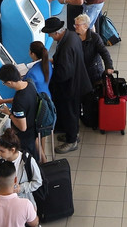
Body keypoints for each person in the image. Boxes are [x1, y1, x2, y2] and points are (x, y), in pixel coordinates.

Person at [42, 17, 92, 154]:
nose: (49, 36)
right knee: (74, 111)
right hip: (79, 80)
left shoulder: (65, 47)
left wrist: (50, 75)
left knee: (70, 113)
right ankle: (73, 133)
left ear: (57, 33)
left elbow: (64, 74)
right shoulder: (71, 36)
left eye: (50, 34)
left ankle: (71, 141)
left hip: (70, 87)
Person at [0, 66, 41, 160]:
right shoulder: (29, 84)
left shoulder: (19, 100)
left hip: (25, 138)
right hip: (33, 130)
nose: (5, 84)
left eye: (4, 83)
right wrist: (3, 101)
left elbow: (22, 127)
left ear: (9, 82)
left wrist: (9, 113)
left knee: (27, 162)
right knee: (34, 157)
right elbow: (23, 101)